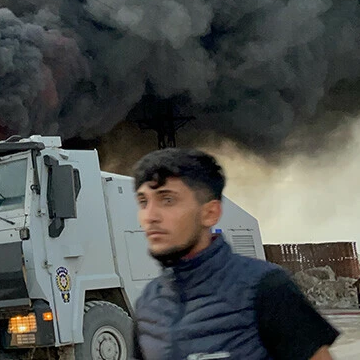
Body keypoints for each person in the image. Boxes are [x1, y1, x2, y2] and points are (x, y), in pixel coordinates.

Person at [130, 148, 339, 360]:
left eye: (167, 200)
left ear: (210, 213)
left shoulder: (266, 289)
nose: (150, 216)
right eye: (143, 202)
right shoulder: (148, 303)